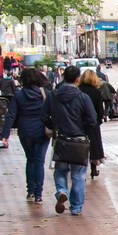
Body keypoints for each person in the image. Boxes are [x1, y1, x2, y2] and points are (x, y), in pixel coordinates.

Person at [43, 64, 98, 216]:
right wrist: (83, 129)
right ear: (77, 79)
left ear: (63, 77)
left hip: (61, 139)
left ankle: (61, 190)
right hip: (79, 140)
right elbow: (93, 119)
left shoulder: (53, 96)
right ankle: (76, 207)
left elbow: (43, 116)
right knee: (78, 175)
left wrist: (54, 126)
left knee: (60, 170)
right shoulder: (83, 97)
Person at [2, 67, 53, 202]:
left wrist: (5, 134)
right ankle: (38, 194)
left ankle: (30, 190)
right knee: (39, 161)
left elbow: (11, 115)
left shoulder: (19, 95)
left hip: (25, 130)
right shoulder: (45, 94)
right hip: (41, 130)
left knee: (30, 160)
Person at [78, 68, 107, 179]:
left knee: (81, 146)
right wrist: (98, 121)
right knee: (93, 146)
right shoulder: (96, 92)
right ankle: (93, 168)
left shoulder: (78, 90)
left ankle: (81, 169)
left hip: (80, 123)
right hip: (93, 124)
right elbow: (100, 110)